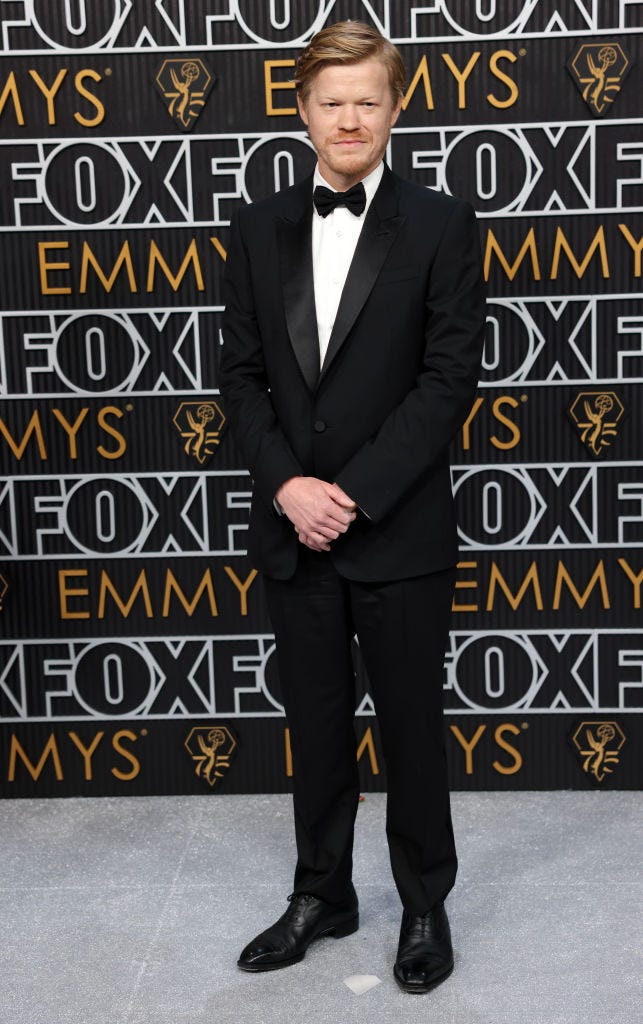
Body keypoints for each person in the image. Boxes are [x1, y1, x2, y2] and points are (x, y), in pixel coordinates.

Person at [220, 20, 486, 993]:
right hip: (294, 528)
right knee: (317, 724)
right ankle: (321, 893)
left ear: (395, 107)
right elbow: (240, 378)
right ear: (300, 112)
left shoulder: (442, 224)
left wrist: (355, 494)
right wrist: (289, 486)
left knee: (412, 723)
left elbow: (448, 380)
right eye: (329, 101)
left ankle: (423, 901)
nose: (348, 118)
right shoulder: (255, 229)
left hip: (398, 528)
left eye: (366, 99)